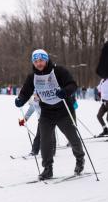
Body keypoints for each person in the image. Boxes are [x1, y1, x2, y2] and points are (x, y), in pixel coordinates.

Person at [15, 49, 85, 180]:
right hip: (46, 113)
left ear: (46, 60)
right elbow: (25, 91)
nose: (38, 63)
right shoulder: (32, 77)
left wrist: (65, 91)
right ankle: (48, 168)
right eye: (35, 61)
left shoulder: (58, 71)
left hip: (63, 110)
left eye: (41, 60)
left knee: (72, 138)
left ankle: (80, 159)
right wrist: (20, 100)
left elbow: (73, 85)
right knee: (45, 141)